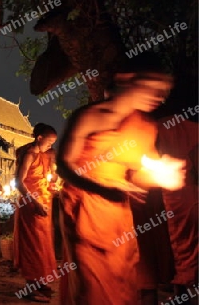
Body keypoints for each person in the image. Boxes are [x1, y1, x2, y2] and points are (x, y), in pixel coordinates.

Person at [56, 56, 185, 305]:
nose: (159, 96)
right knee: (91, 285)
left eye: (163, 92)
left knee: (122, 279)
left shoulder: (145, 127)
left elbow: (140, 172)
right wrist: (99, 188)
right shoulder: (89, 116)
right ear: (126, 80)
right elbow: (64, 165)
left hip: (117, 213)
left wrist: (163, 174)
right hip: (84, 207)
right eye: (152, 87)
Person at [14, 123, 58, 302]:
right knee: (33, 246)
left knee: (44, 246)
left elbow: (44, 178)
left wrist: (52, 185)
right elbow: (19, 182)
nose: (50, 146)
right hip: (31, 206)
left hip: (44, 203)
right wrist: (35, 202)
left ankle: (41, 283)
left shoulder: (44, 155)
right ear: (39, 137)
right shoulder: (30, 154)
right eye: (49, 142)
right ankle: (31, 286)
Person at [157, 115, 198, 304]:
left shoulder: (166, 126)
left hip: (183, 194)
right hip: (173, 193)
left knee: (186, 249)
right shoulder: (159, 126)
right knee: (182, 248)